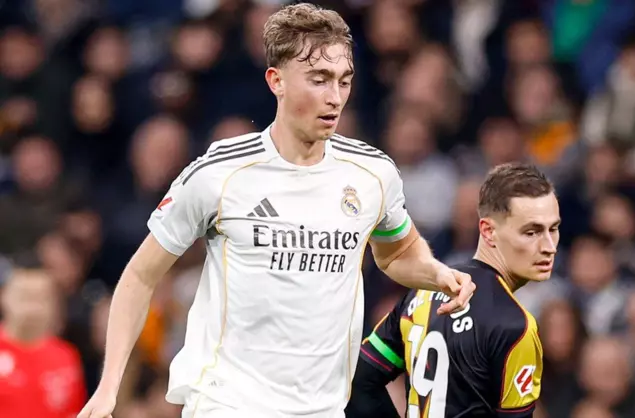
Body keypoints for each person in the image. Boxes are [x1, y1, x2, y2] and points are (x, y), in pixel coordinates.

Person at [78, 3, 475, 418]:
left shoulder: (373, 174)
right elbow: (140, 276)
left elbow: (397, 253)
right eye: (319, 79)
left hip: (323, 408)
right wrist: (109, 387)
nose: (334, 97)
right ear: (276, 81)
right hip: (228, 404)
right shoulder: (220, 173)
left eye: (344, 81)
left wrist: (438, 274)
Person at [345, 163, 559, 418]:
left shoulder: (420, 294)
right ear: (488, 231)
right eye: (532, 232)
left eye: (553, 229)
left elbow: (358, 380)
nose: (549, 246)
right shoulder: (515, 326)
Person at [0, 267, 87, 418]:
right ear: (4, 297)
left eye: (41, 298)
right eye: (25, 297)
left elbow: (75, 411)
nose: (33, 307)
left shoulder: (66, 356)